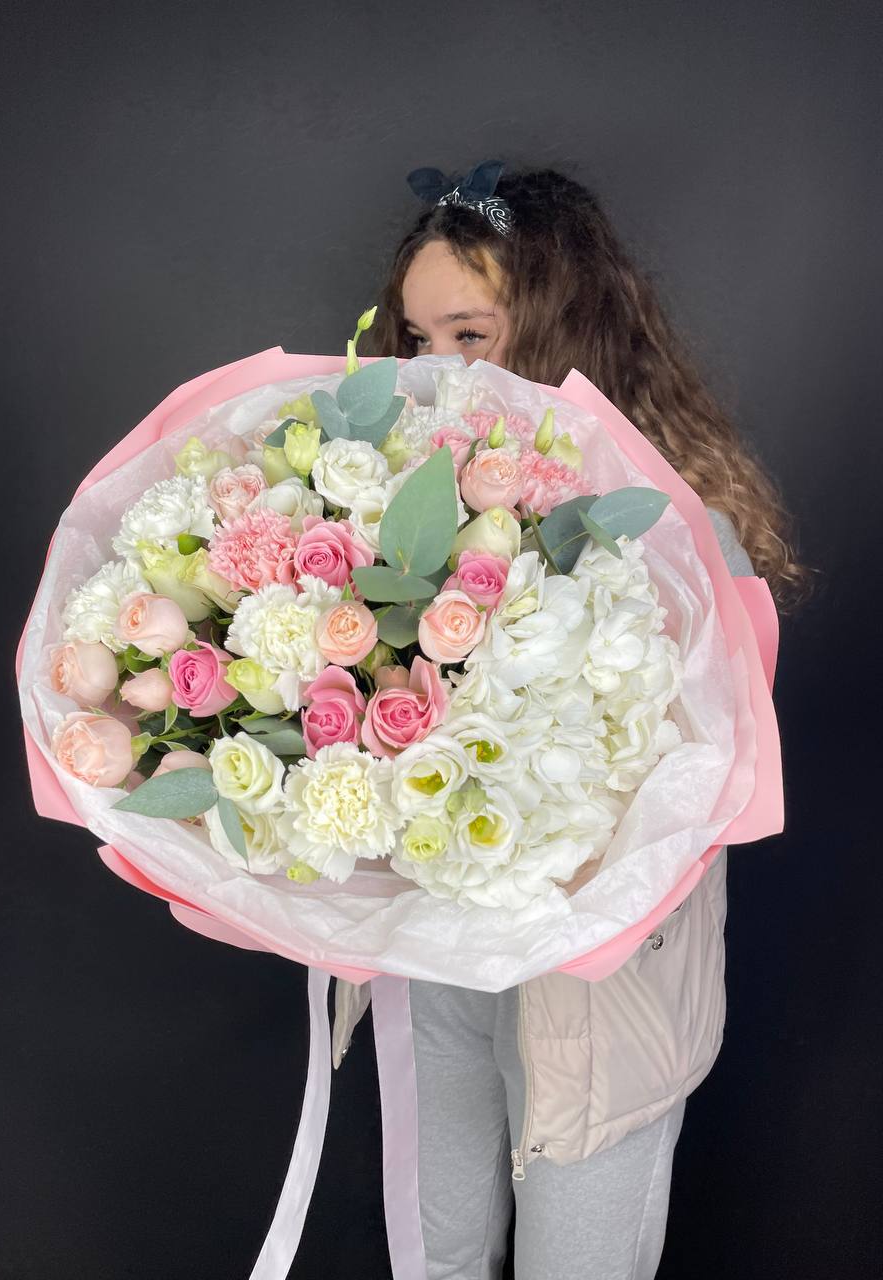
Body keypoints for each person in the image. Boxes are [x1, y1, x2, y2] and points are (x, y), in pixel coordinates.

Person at [331, 160, 810, 1280]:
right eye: (417, 339)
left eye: (471, 335)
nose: (437, 370)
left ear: (562, 327)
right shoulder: (394, 508)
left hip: (603, 981)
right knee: (439, 1247)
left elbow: (707, 779)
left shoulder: (681, 528)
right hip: (438, 947)